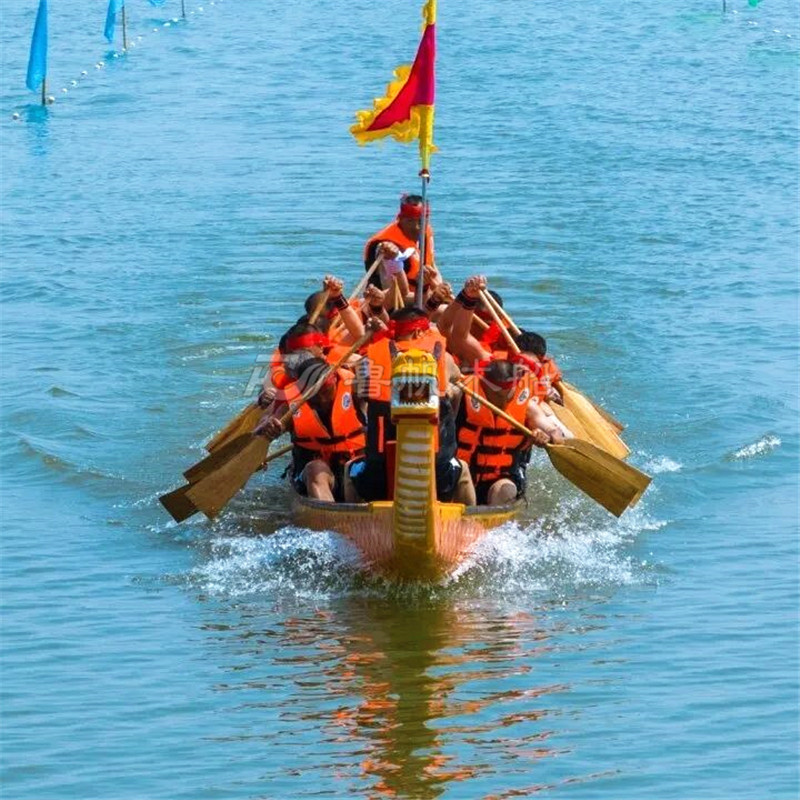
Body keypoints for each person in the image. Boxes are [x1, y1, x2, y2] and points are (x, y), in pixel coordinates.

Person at [350, 306, 465, 502]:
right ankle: (466, 513)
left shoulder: (367, 361)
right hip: (438, 471)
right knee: (464, 471)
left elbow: (357, 394)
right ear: (419, 332)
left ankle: (352, 512)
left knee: (349, 470)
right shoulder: (444, 358)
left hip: (380, 475)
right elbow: (458, 386)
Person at [456, 359, 567, 506]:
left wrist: (544, 437)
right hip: (464, 475)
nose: (502, 402)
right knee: (457, 472)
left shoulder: (527, 406)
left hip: (501, 478)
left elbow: (555, 434)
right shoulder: (462, 395)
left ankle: (494, 515)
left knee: (504, 491)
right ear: (483, 385)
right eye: (496, 396)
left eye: (507, 395)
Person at [255, 358, 365, 502]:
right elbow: (263, 430)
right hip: (312, 476)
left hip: (354, 469)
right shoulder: (290, 406)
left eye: (326, 392)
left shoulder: (354, 389)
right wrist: (268, 428)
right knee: (316, 469)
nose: (322, 400)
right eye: (315, 396)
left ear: (335, 380)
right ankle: (328, 513)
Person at [363, 194, 439, 301]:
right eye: (410, 221)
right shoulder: (386, 246)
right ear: (400, 218)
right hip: (391, 302)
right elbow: (395, 295)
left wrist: (440, 288)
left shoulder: (426, 232)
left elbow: (431, 264)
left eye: (421, 221)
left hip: (424, 293)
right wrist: (434, 297)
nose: (416, 227)